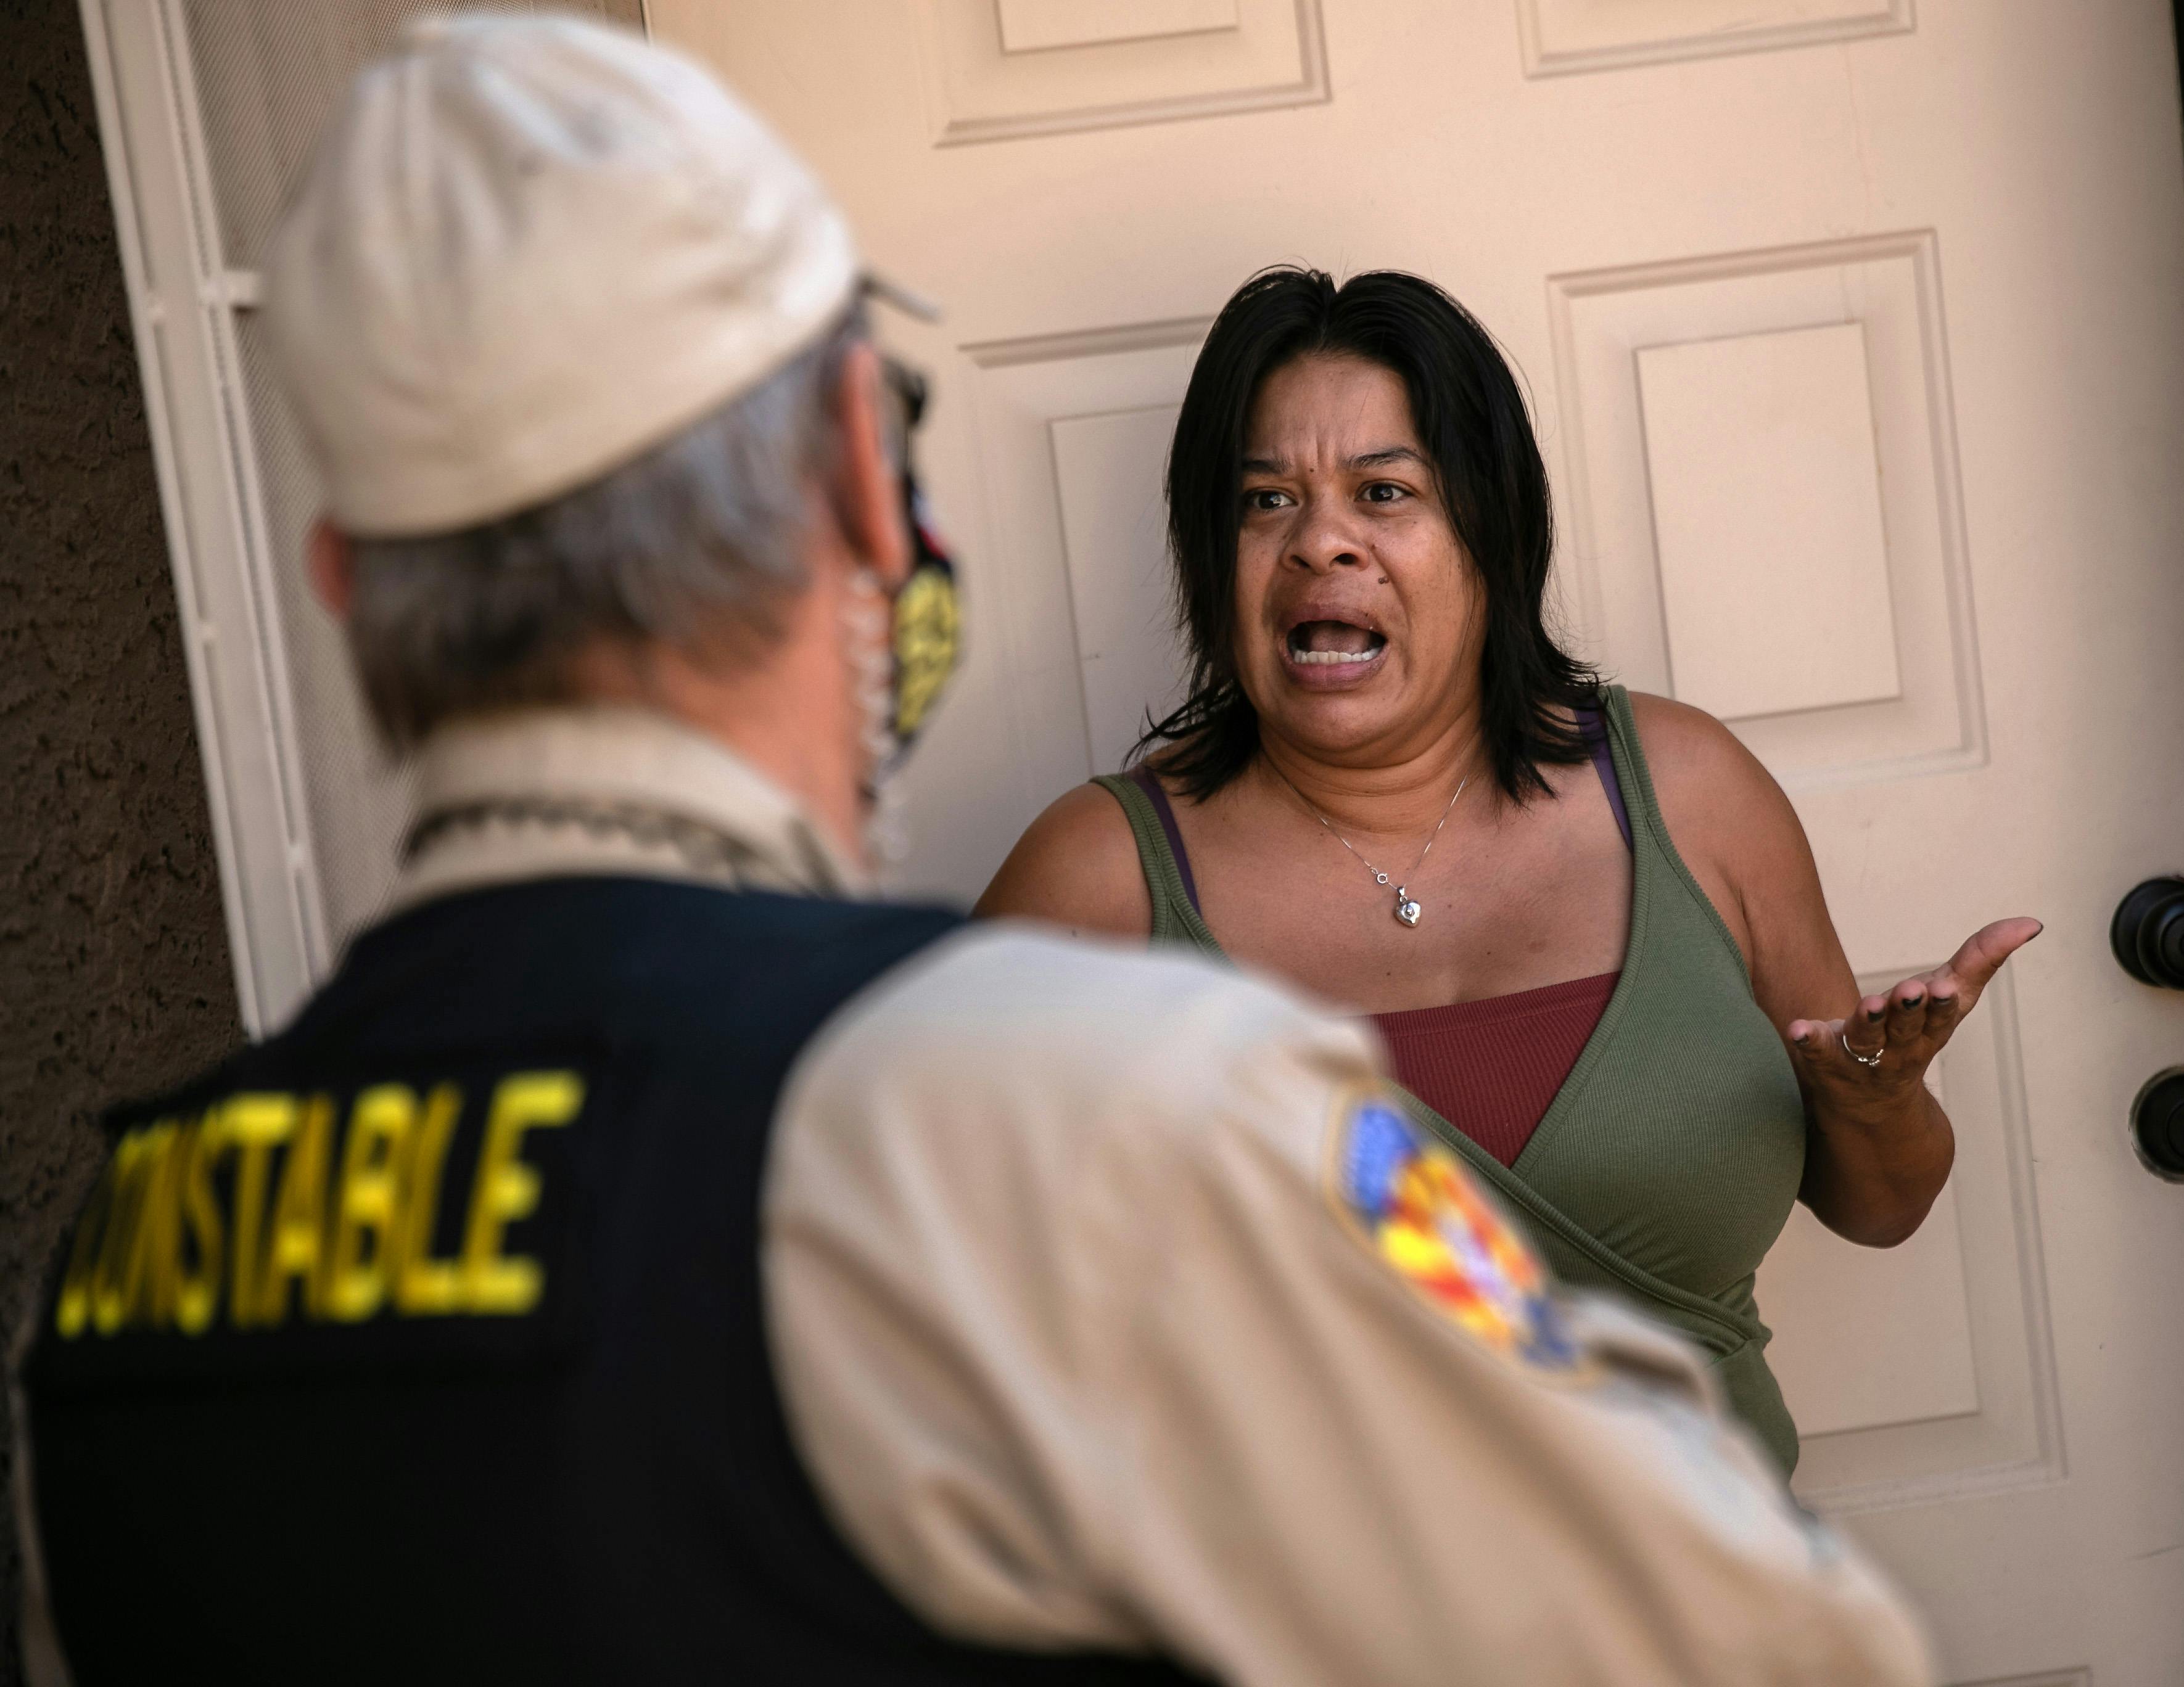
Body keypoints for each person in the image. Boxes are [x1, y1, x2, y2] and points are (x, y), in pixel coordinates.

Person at [12, 16, 1933, 1686]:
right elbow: (1756, 1627)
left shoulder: (118, 1267)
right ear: (862, 480)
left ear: (343, 590)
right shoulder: (1077, 1090)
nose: (1323, 540)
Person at [980, 268, 2042, 1474]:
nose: (1320, 538)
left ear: (1490, 531)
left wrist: (1872, 1102)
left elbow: (1883, 1205)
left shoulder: (1689, 796)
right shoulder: (1096, 886)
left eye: (1385, 491)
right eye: (1264, 500)